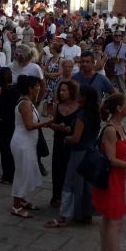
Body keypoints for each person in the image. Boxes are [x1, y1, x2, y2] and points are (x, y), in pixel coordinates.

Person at [45, 85, 101, 228]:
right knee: (86, 185)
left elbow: (75, 137)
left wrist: (66, 138)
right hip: (91, 151)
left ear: (83, 97)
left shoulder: (82, 115)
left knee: (70, 182)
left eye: (79, 94)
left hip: (79, 152)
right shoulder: (94, 113)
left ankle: (66, 215)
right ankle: (85, 213)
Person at [91, 93, 126, 251]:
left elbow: (121, 152)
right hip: (111, 179)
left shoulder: (121, 126)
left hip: (118, 178)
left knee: (109, 219)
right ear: (119, 108)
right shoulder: (111, 130)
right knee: (115, 221)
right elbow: (111, 160)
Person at [10, 75, 49, 219]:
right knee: (22, 173)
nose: (39, 88)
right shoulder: (25, 103)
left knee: (28, 171)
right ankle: (16, 205)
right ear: (30, 88)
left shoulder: (28, 102)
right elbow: (29, 125)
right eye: (36, 86)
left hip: (27, 143)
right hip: (22, 143)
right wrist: (47, 123)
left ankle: (22, 199)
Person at [46, 80, 79, 208]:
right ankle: (57, 196)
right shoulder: (57, 106)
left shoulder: (78, 107)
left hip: (72, 143)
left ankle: (70, 197)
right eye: (60, 90)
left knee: (70, 170)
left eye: (64, 90)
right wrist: (57, 127)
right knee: (58, 169)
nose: (61, 92)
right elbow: (52, 123)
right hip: (59, 142)